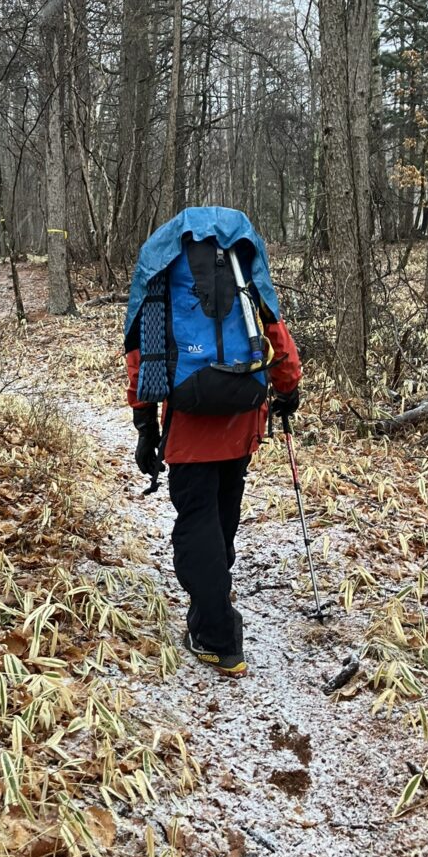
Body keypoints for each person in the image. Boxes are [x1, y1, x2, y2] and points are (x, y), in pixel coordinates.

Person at [124, 208, 301, 678]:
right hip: (242, 411)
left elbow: (142, 348)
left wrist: (145, 424)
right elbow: (273, 326)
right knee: (223, 510)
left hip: (190, 416)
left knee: (196, 519)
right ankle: (215, 592)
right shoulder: (242, 255)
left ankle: (216, 637)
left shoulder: (163, 261)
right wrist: (288, 386)